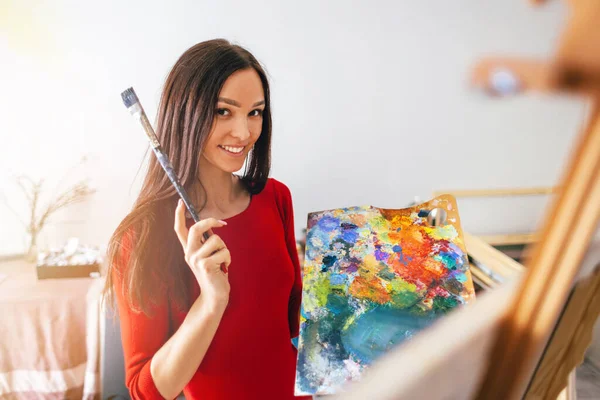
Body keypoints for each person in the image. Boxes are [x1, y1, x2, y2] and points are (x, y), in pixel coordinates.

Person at [105, 39, 309, 400]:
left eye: (255, 112)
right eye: (223, 111)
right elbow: (146, 392)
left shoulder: (276, 197)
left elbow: (293, 317)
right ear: (186, 114)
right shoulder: (141, 236)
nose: (244, 133)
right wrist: (212, 301)